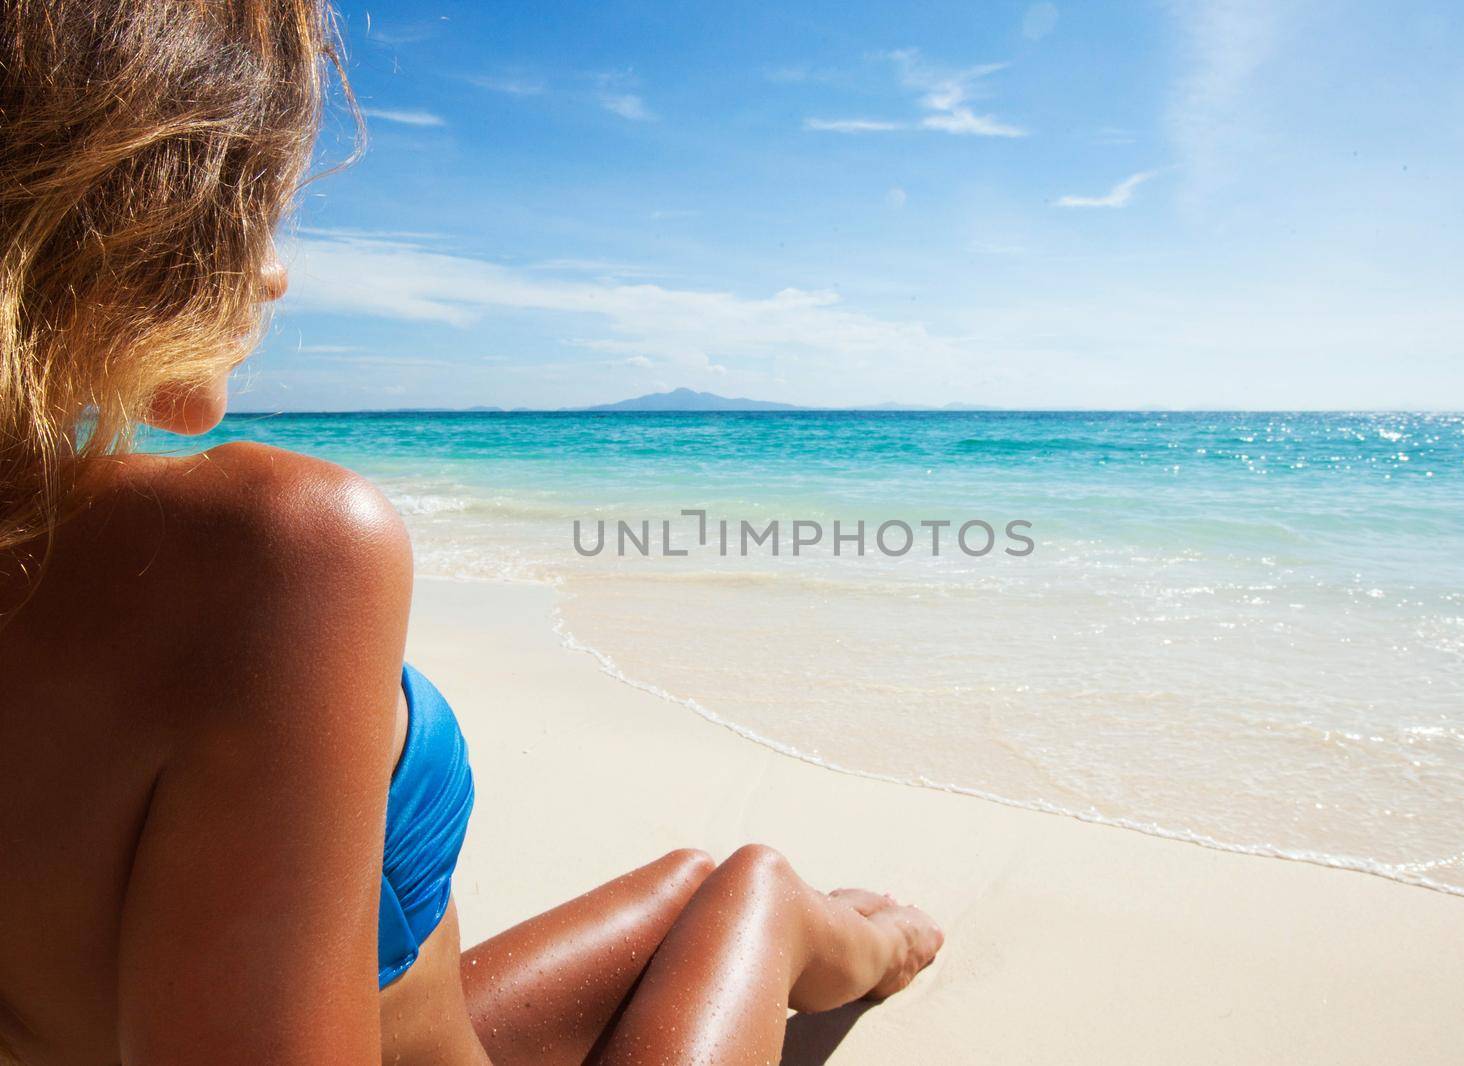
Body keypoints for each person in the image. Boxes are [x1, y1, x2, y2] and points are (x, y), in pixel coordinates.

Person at [0, 2, 942, 1063]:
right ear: (128, 202)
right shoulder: (274, 550)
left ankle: (785, 915)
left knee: (689, 881)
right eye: (259, 204)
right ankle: (799, 916)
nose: (274, 272)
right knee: (746, 898)